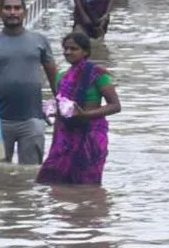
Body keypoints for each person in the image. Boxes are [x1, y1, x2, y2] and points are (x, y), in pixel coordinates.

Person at [0, 0, 58, 166]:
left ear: (24, 12)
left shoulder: (40, 41)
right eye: (8, 8)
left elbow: (52, 75)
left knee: (32, 173)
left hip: (33, 119)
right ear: (0, 13)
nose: (12, 12)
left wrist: (60, 103)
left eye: (17, 8)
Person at [36, 32, 121, 186]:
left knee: (88, 185)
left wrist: (85, 114)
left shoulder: (98, 74)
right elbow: (63, 108)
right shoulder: (61, 76)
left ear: (85, 52)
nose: (68, 52)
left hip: (91, 134)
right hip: (66, 134)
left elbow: (115, 105)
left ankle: (88, 209)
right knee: (52, 180)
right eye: (66, 49)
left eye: (74, 49)